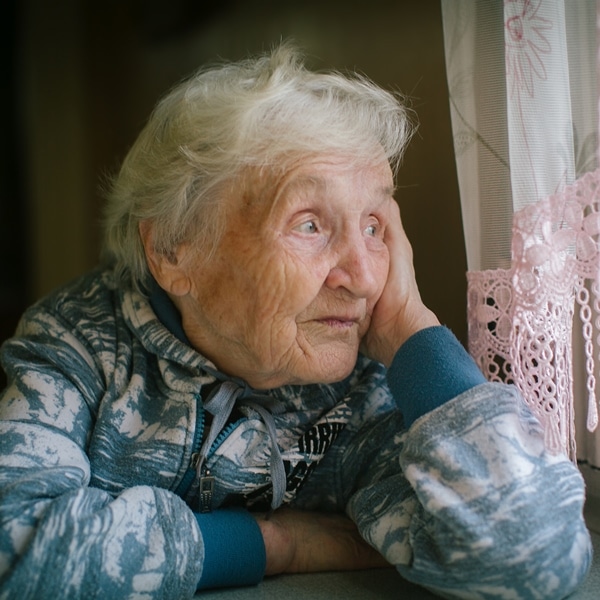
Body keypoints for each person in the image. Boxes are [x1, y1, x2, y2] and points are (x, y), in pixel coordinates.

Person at [0, 43, 592, 599]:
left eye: (373, 226)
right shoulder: (78, 344)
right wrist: (278, 544)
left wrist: (414, 332)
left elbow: (534, 559)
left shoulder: (367, 390)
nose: (362, 278)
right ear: (174, 250)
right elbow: (14, 546)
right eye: (309, 223)